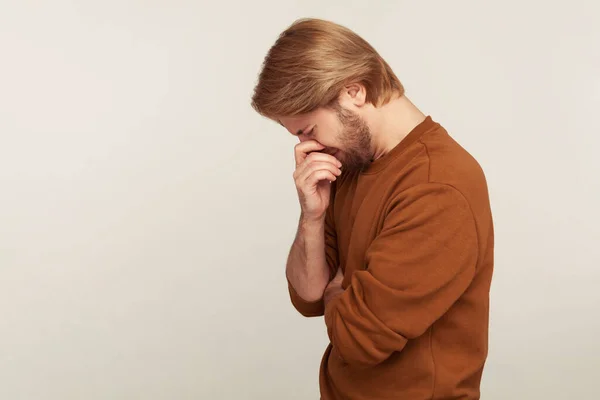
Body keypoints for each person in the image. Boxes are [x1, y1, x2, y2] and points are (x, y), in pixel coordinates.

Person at [250, 18, 494, 400]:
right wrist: (311, 218)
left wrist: (337, 296)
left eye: (308, 130)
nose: (304, 149)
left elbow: (357, 340)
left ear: (354, 92)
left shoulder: (438, 185)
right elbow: (308, 296)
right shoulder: (349, 166)